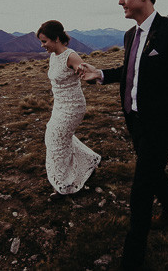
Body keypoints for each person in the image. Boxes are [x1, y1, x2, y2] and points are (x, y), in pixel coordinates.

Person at [78, 0, 168, 269]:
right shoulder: (131, 35)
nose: (120, 1)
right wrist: (99, 74)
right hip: (136, 121)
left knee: (140, 192)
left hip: (163, 127)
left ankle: (133, 258)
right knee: (152, 171)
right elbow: (131, 71)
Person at [37, 20, 101, 200]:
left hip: (73, 107)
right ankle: (89, 162)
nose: (42, 46)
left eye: (45, 41)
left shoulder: (71, 56)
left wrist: (88, 73)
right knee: (60, 139)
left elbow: (88, 76)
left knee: (55, 141)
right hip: (59, 105)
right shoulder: (53, 55)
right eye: (41, 42)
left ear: (56, 38)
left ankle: (64, 186)